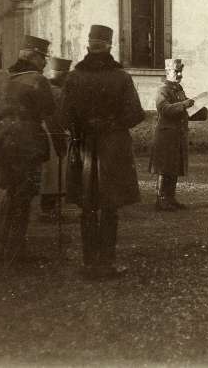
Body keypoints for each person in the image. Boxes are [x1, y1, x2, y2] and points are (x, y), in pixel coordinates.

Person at [62, 25, 145, 279]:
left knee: (87, 206)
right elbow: (136, 114)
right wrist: (111, 124)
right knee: (110, 205)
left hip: (83, 146)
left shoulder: (74, 77)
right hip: (113, 147)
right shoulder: (121, 77)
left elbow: (63, 116)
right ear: (109, 46)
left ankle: (89, 263)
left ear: (89, 45)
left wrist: (83, 127)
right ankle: (106, 263)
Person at [0, 35, 55, 264]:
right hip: (28, 141)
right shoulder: (37, 80)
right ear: (33, 56)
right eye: (42, 57)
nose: (44, 62)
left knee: (11, 192)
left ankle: (0, 246)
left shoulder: (2, 76)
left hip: (4, 139)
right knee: (24, 196)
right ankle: (15, 251)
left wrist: (1, 126)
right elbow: (49, 111)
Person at [150, 59, 201, 211]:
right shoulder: (162, 90)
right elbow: (164, 109)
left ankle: (170, 198)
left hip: (178, 134)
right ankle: (161, 200)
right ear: (167, 72)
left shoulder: (179, 89)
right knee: (165, 167)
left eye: (180, 71)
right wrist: (184, 104)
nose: (179, 75)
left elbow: (184, 111)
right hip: (166, 135)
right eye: (176, 71)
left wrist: (199, 108)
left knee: (174, 166)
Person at [39, 56, 71, 222]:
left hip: (46, 132)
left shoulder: (44, 87)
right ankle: (50, 211)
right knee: (53, 174)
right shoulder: (59, 93)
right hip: (53, 133)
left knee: (50, 174)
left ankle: (49, 209)